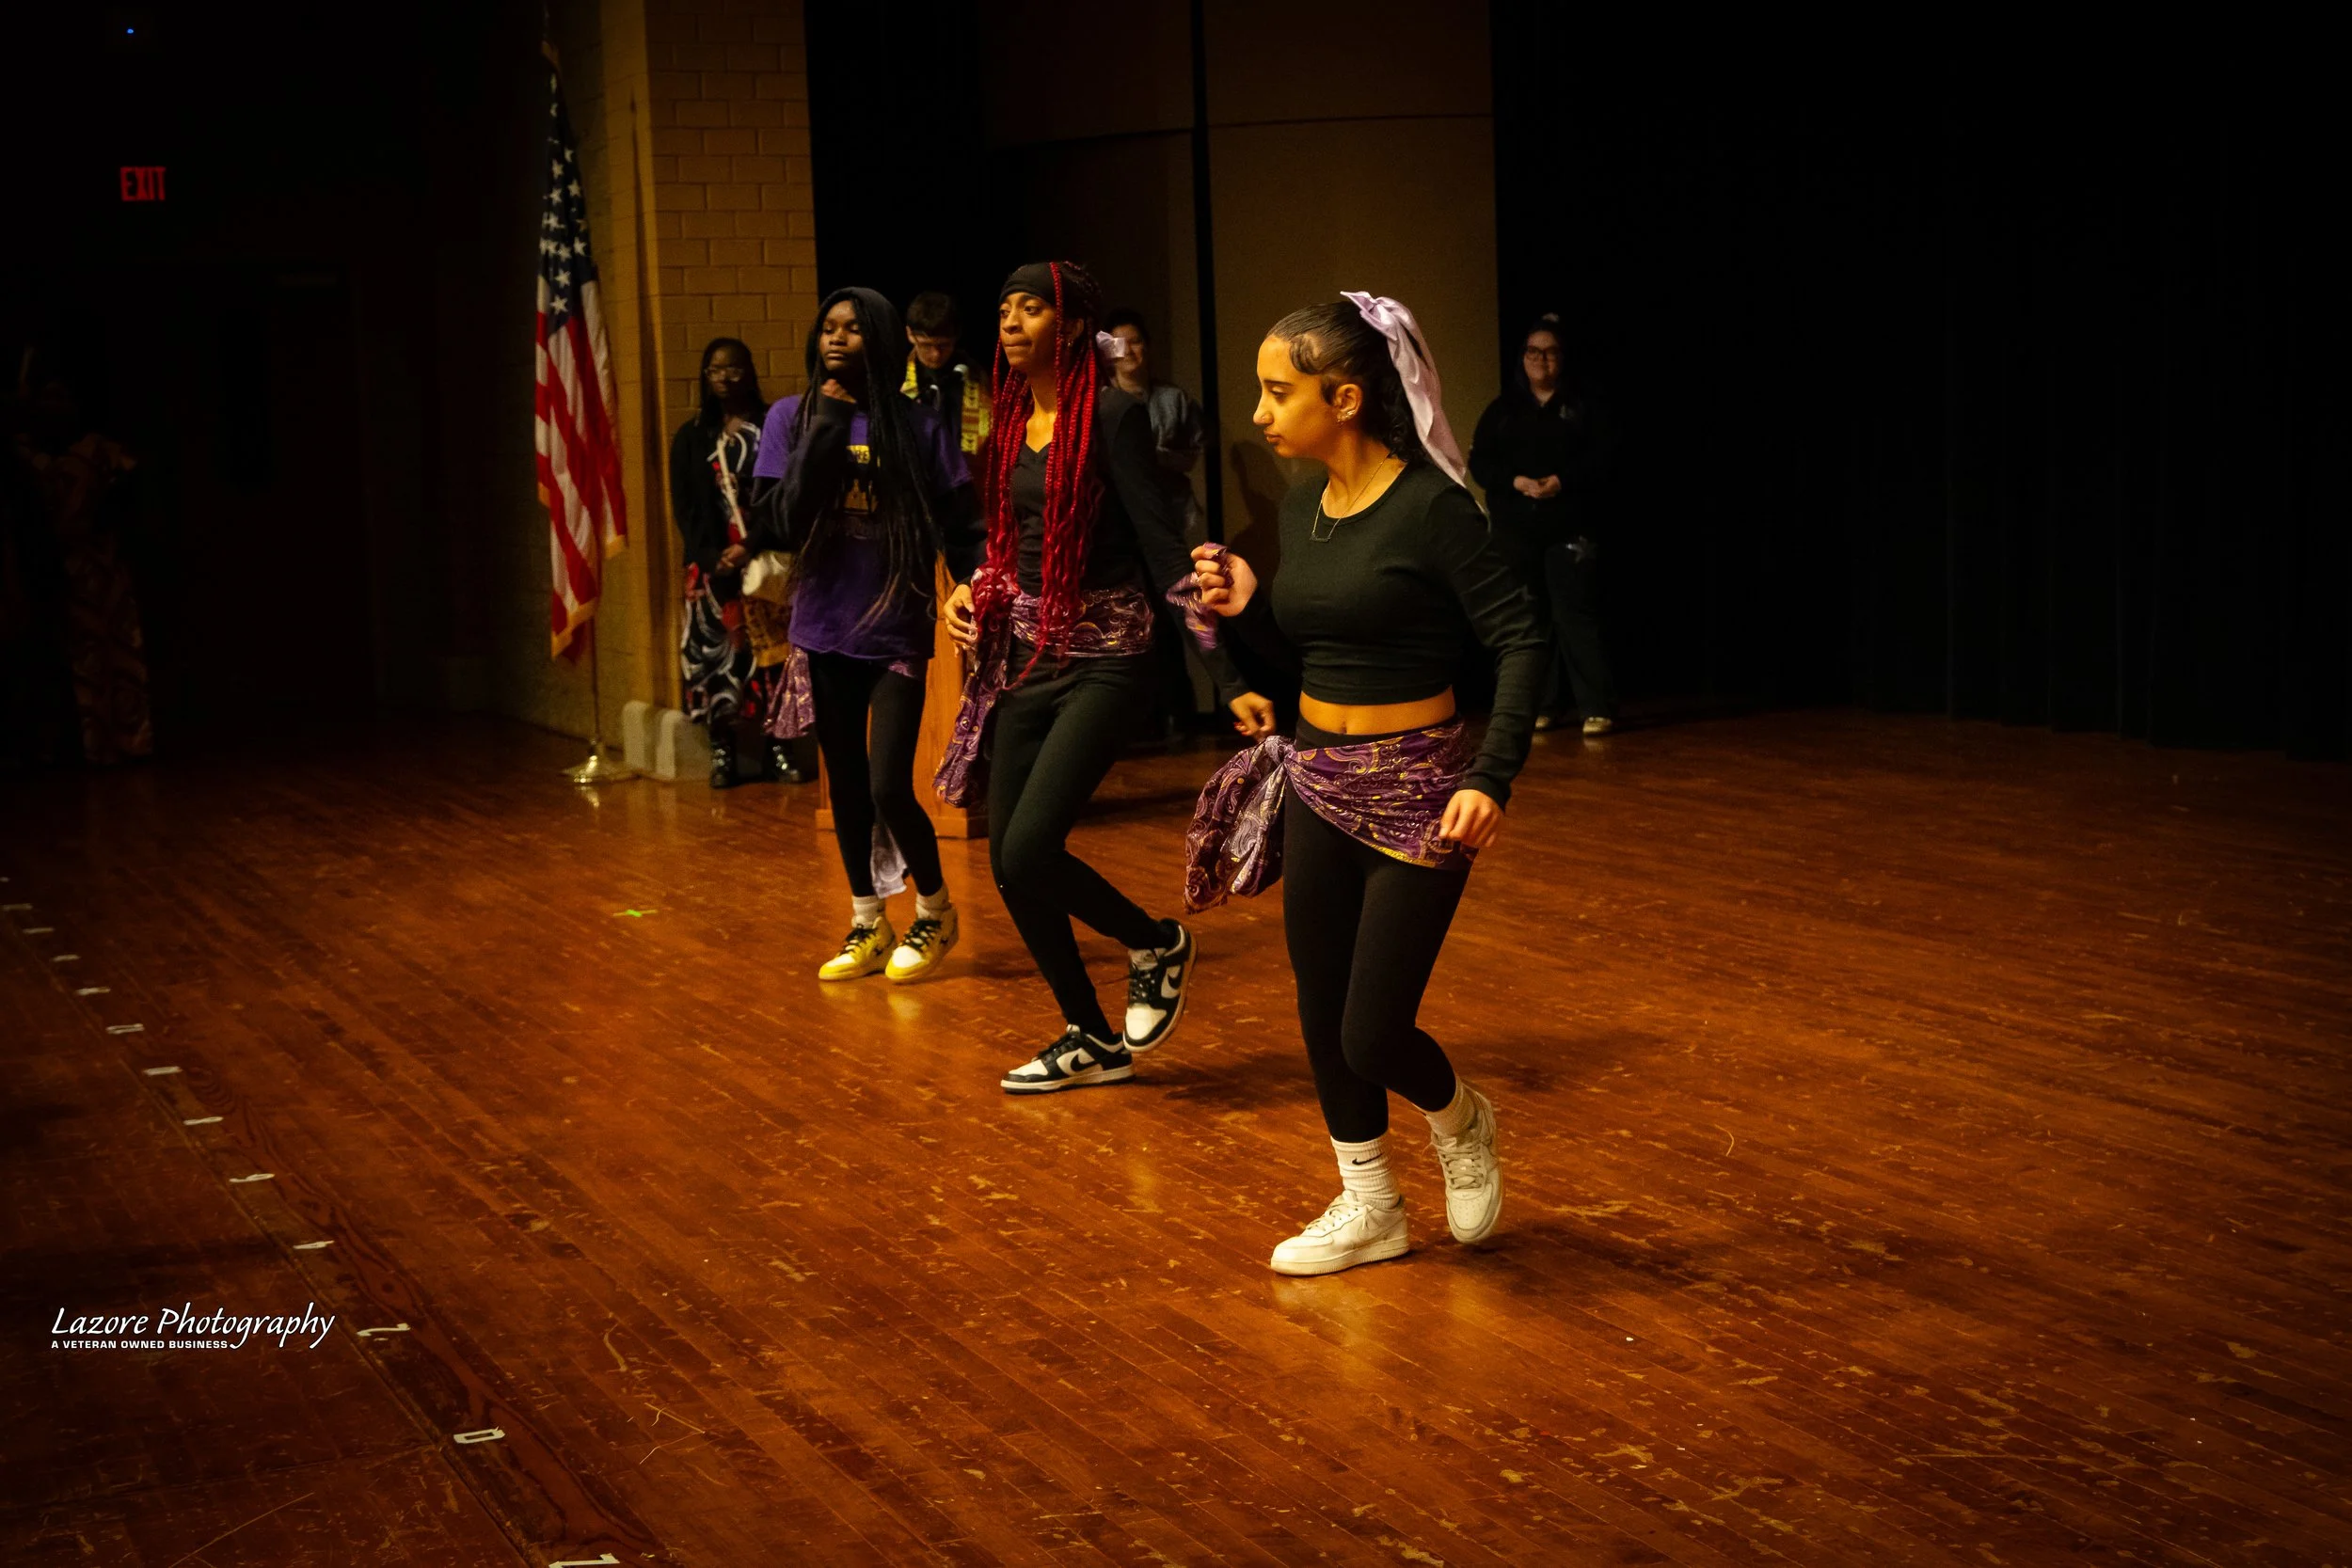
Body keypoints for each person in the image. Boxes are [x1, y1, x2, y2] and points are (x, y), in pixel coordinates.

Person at [1184, 293, 1547, 1276]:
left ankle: (1462, 1117)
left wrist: (1492, 775)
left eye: (1276, 391)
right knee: (1318, 1010)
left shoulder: (1432, 509)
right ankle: (1370, 1203)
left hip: (1423, 788)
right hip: (1318, 779)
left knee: (1372, 1026)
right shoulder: (1306, 505)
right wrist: (1248, 616)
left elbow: (1520, 640)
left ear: (1343, 396)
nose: (1258, 413)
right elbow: (1321, 645)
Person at [934, 261, 1266, 1093]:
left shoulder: (1113, 417)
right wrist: (965, 592)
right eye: (1003, 308)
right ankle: (1089, 1033)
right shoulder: (1012, 424)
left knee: (1029, 843)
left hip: (1109, 656)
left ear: (1073, 325)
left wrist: (1227, 678)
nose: (1010, 322)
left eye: (1031, 309)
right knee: (1012, 866)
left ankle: (1155, 941)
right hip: (1026, 656)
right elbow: (1005, 542)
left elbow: (1165, 550)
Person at [739, 290, 983, 983]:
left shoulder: (917, 422)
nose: (837, 337)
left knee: (886, 785)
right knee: (844, 781)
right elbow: (779, 519)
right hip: (823, 624)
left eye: (852, 327)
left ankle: (935, 911)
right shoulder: (792, 417)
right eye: (828, 327)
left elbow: (961, 522)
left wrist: (971, 582)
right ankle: (867, 920)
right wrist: (830, 422)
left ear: (878, 337)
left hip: (896, 623)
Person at [1469, 312, 1619, 735]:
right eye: (1534, 351)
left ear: (1563, 358)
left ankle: (1597, 707)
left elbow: (1605, 459)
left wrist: (1563, 481)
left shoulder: (1583, 406)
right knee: (1530, 619)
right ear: (1522, 358)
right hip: (1517, 530)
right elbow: (1480, 462)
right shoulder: (1503, 410)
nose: (1542, 359)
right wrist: (1513, 481)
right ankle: (1544, 705)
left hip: (1570, 526)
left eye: (1551, 352)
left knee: (1575, 614)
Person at [668, 337, 802, 788]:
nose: (724, 378)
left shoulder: (773, 428)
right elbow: (684, 505)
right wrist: (710, 557)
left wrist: (751, 544)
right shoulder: (691, 436)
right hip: (710, 570)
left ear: (750, 372)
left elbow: (785, 494)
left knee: (771, 661)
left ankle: (778, 749)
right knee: (714, 660)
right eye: (715, 370)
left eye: (734, 369)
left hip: (763, 560)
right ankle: (723, 751)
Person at [1104, 308, 1212, 734]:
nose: (1129, 350)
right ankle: (1137, 719)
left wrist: (1152, 458)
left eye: (1136, 340)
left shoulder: (1174, 399)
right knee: (1131, 621)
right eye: (1119, 342)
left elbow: (1192, 454)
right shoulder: (1100, 403)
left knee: (1179, 616)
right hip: (1122, 529)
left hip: (1172, 522)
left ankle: (1179, 713)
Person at [901, 291, 991, 478]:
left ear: (956, 336)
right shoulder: (896, 378)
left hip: (965, 486)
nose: (935, 354)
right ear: (909, 334)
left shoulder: (979, 379)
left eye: (944, 345)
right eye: (926, 345)